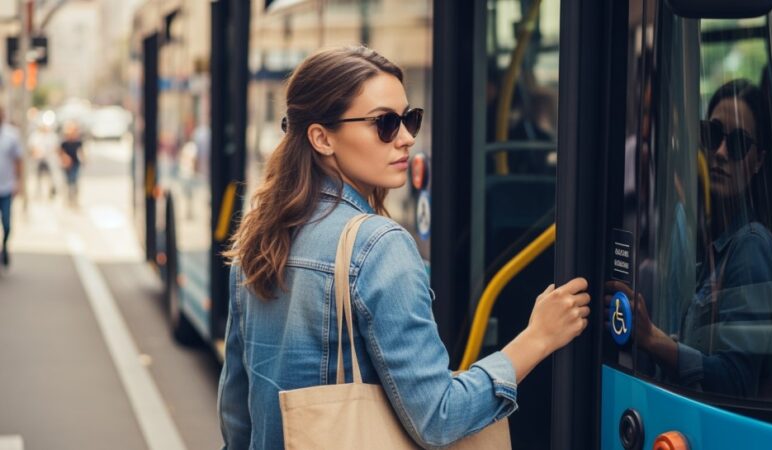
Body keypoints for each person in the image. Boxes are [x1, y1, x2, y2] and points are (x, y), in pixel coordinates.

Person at [218, 46, 591, 449]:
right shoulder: (379, 246)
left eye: (410, 119)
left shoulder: (260, 237)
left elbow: (238, 415)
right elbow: (438, 417)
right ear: (322, 138)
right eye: (386, 123)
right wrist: (537, 337)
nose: (407, 138)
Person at [609, 79, 772, 399]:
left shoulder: (751, 245)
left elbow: (737, 381)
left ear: (758, 161)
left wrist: (653, 339)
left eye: (738, 144)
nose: (720, 153)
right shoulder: (702, 236)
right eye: (713, 135)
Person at [0, 106, 23, 268]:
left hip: (6, 188)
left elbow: (18, 160)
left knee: (7, 224)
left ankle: (5, 247)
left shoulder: (12, 135)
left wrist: (18, 181)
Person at [28, 122, 60, 199]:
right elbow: (32, 148)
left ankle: (51, 192)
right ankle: (38, 193)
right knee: (38, 177)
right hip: (38, 159)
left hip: (49, 159)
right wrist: (37, 153)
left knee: (51, 177)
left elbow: (56, 148)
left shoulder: (52, 136)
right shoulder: (35, 136)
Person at [59, 122, 84, 207]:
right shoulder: (64, 143)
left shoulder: (78, 142)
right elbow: (60, 152)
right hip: (66, 165)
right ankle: (68, 199)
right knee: (68, 182)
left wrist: (84, 160)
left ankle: (74, 199)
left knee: (74, 181)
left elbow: (81, 152)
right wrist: (65, 159)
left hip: (75, 163)